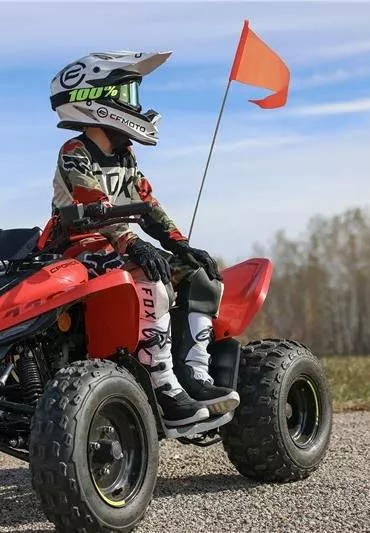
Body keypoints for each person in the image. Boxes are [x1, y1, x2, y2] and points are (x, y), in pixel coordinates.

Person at [49, 51, 240, 428]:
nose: (135, 104)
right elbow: (95, 208)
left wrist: (181, 245)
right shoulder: (75, 152)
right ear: (97, 99)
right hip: (76, 248)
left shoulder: (125, 155)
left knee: (199, 275)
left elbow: (147, 204)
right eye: (128, 94)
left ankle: (194, 374)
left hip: (117, 245)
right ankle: (162, 387)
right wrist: (133, 244)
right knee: (151, 277)